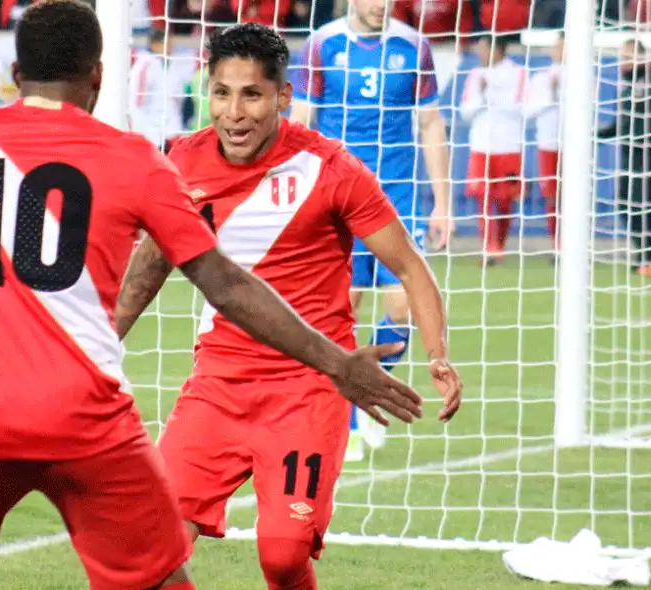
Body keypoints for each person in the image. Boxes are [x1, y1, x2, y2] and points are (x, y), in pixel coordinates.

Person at [0, 3, 425, 590]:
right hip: (84, 421)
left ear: (11, 74)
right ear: (98, 75)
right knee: (157, 576)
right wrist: (337, 362)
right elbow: (225, 282)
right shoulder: (135, 160)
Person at [115, 23, 462, 590]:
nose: (233, 112)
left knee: (282, 555)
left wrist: (438, 354)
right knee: (151, 546)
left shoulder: (331, 169)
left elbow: (410, 268)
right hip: (218, 382)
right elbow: (148, 266)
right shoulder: (180, 162)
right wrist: (103, 342)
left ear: (283, 96)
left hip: (309, 388)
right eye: (221, 93)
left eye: (251, 94)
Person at [287, 0, 454, 459]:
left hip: (397, 195)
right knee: (343, 310)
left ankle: (364, 401)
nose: (382, 5)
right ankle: (344, 417)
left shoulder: (414, 46)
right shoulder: (323, 44)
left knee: (403, 303)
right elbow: (302, 119)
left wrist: (443, 202)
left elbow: (430, 123)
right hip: (337, 194)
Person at [458, 32, 527, 266]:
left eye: (483, 49)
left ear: (497, 50)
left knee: (506, 200)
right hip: (481, 146)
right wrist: (483, 95)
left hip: (508, 145)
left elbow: (522, 109)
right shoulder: (475, 75)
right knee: (483, 197)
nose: (479, 53)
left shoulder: (518, 73)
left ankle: (500, 243)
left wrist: (492, 94)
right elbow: (465, 112)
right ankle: (490, 248)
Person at [598, 38, 651, 276]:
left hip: (646, 155)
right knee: (625, 203)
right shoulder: (627, 86)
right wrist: (598, 134)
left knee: (644, 205)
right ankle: (643, 256)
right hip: (630, 156)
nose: (624, 61)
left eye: (629, 56)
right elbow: (623, 123)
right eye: (622, 56)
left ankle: (647, 258)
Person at [525, 31, 564, 253]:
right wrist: (551, 95)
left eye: (563, 46)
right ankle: (557, 245)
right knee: (552, 197)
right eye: (557, 46)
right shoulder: (541, 77)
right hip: (548, 144)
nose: (559, 51)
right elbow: (528, 111)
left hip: (574, 147)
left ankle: (575, 245)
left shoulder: (584, 76)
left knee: (573, 196)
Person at [129, 27, 184, 151]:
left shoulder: (173, 65)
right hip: (150, 134)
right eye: (167, 43)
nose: (171, 47)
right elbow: (136, 102)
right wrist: (140, 132)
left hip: (171, 132)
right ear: (155, 45)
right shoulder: (144, 66)